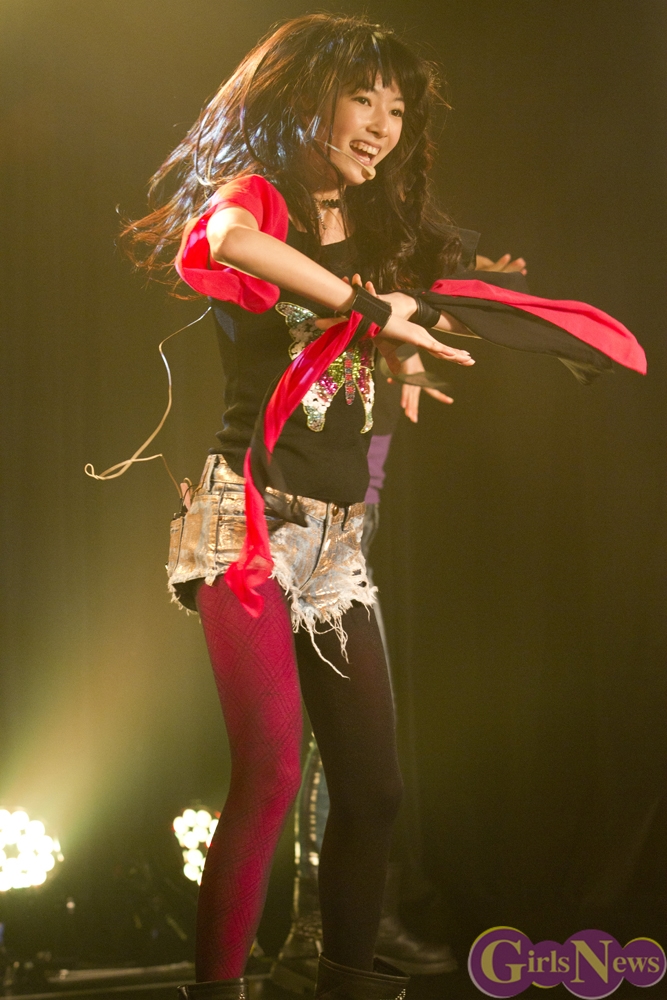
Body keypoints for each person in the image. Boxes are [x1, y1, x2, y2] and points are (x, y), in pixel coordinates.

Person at [121, 14, 644, 1000]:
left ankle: (342, 983)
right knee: (271, 776)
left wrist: (403, 351)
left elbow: (392, 318)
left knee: (374, 793)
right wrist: (367, 310)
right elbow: (225, 242)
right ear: (303, 97)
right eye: (362, 98)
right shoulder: (258, 194)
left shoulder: (376, 230)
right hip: (241, 517)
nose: (381, 125)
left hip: (333, 540)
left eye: (396, 109)